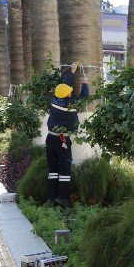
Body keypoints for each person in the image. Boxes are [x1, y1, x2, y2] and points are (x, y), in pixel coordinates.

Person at [46, 61, 87, 208]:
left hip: (50, 138)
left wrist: (72, 71)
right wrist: (85, 83)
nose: (71, 91)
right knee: (64, 169)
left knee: (52, 170)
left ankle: (52, 197)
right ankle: (62, 198)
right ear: (68, 94)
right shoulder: (71, 104)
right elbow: (84, 96)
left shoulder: (54, 100)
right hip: (62, 140)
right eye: (70, 90)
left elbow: (64, 86)